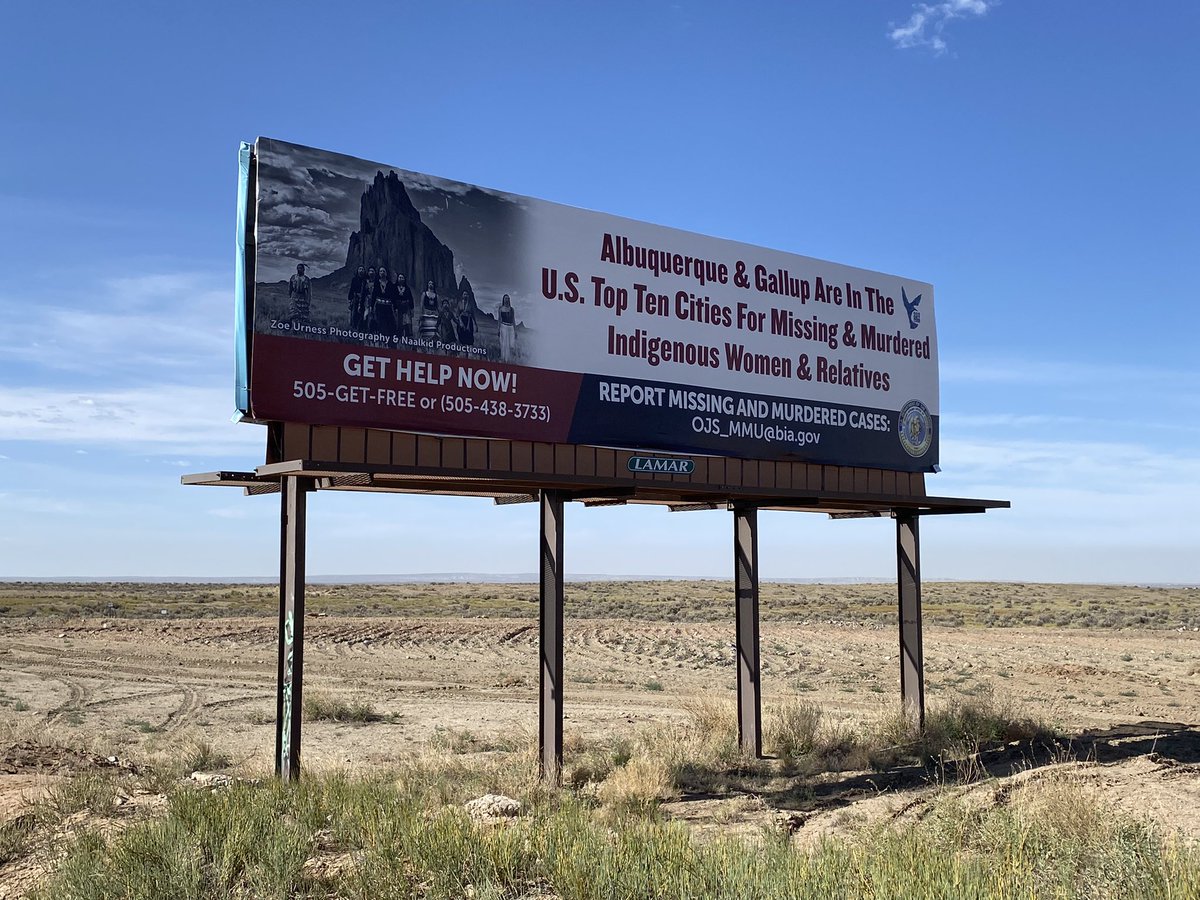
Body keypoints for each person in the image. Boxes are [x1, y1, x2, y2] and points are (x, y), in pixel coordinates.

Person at [497, 293, 518, 362]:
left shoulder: (512, 309)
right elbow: (499, 319)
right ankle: (504, 358)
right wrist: (498, 329)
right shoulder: (501, 309)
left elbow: (513, 320)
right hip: (503, 327)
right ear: (503, 299)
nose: (507, 300)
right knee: (504, 344)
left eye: (508, 298)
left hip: (510, 327)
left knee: (511, 344)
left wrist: (515, 331)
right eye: (506, 298)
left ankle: (509, 359)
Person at [454, 290, 476, 354]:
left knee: (469, 336)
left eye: (466, 294)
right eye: (464, 294)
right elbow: (457, 314)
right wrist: (460, 322)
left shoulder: (470, 304)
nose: (465, 295)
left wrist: (475, 324)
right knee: (461, 336)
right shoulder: (459, 303)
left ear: (468, 296)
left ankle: (469, 353)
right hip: (461, 321)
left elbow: (473, 315)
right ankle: (462, 351)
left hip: (469, 321)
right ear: (462, 296)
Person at [394, 274, 414, 339]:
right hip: (398, 307)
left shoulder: (407, 288)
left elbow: (411, 299)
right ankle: (398, 336)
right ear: (397, 279)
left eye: (402, 277)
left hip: (406, 308)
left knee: (407, 323)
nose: (401, 279)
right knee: (398, 323)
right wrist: (395, 307)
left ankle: (408, 337)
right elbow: (393, 298)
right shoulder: (394, 287)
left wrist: (412, 309)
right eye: (399, 277)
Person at [347, 265, 366, 330]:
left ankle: (361, 328)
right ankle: (353, 328)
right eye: (360, 269)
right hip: (355, 299)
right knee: (354, 314)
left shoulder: (365, 280)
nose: (361, 270)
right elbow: (351, 289)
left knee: (362, 314)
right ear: (357, 271)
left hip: (363, 300)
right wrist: (350, 300)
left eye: (362, 269)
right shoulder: (354, 279)